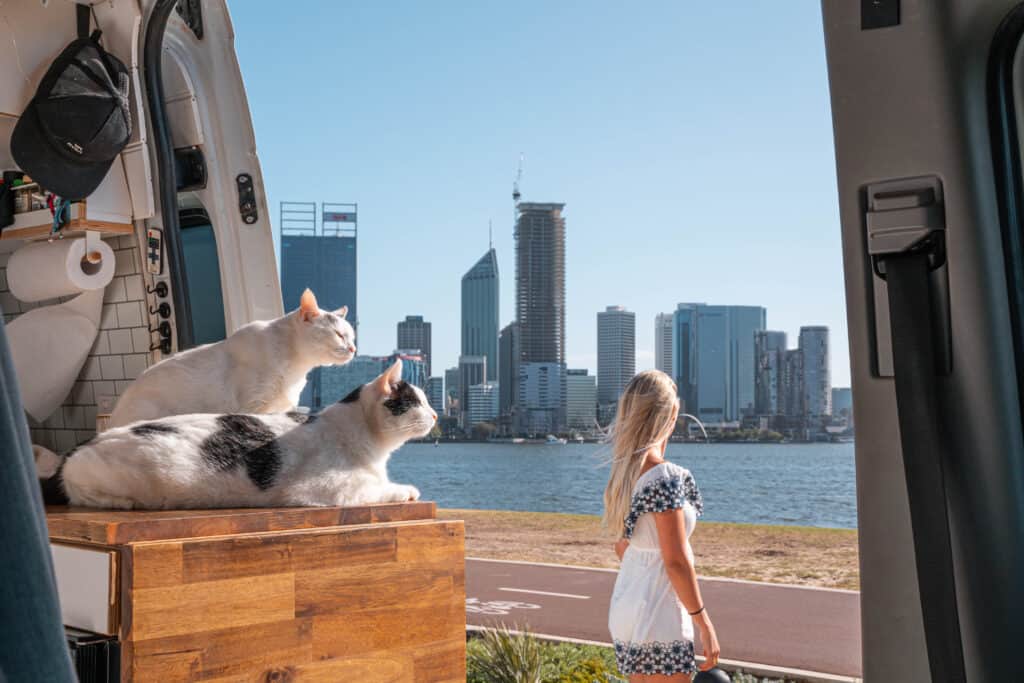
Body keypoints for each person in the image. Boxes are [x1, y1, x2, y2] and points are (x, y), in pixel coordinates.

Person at [605, 370, 721, 681]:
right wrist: (703, 622)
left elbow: (622, 547)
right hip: (660, 611)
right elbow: (676, 561)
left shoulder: (625, 474)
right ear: (670, 414)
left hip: (629, 606)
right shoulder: (665, 477)